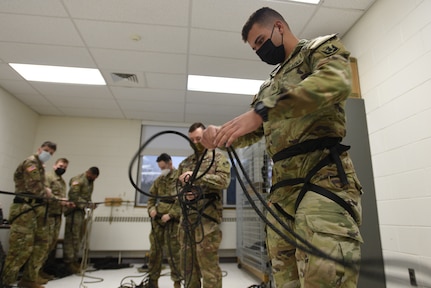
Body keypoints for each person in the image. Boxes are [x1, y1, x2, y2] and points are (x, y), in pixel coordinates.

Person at [201, 7, 363, 288]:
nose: (260, 52)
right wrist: (221, 135)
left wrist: (264, 111)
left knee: (325, 277)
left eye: (261, 41)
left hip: (322, 178)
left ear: (279, 27)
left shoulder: (318, 49)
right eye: (255, 49)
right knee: (285, 278)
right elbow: (252, 130)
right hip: (282, 190)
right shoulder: (268, 86)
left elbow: (335, 82)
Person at [177, 122, 231, 288]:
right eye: (192, 139)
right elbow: (177, 189)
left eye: (199, 138)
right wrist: (185, 193)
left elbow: (224, 181)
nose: (195, 142)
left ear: (206, 137)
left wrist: (196, 176)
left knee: (208, 266)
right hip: (187, 219)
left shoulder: (218, 158)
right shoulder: (184, 163)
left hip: (207, 221)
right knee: (188, 266)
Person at [1, 141, 57, 288]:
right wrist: (48, 192)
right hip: (25, 208)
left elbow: (43, 188)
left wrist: (50, 195)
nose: (48, 154)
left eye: (51, 153)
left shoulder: (40, 167)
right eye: (46, 151)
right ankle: (6, 282)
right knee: (20, 248)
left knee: (41, 245)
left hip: (38, 209)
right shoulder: (31, 163)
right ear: (39, 149)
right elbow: (34, 186)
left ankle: (29, 280)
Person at [146, 153, 181, 288]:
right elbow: (150, 198)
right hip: (158, 221)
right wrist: (151, 210)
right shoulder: (159, 180)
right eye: (160, 168)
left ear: (170, 163)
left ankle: (177, 282)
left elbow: (182, 200)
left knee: (174, 253)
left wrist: (171, 214)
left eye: (163, 167)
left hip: (172, 222)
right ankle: (153, 282)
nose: (162, 170)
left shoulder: (180, 178)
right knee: (155, 252)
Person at [40, 158, 74, 280]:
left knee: (51, 245)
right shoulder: (48, 177)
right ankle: (34, 274)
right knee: (43, 245)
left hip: (57, 215)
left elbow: (61, 198)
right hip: (47, 215)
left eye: (65, 167)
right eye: (61, 166)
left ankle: (43, 270)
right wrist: (59, 200)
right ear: (55, 166)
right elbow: (45, 193)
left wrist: (66, 204)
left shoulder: (62, 182)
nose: (62, 168)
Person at [63, 166, 100, 274]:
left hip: (80, 212)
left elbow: (86, 197)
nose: (94, 179)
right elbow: (74, 197)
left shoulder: (89, 181)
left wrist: (90, 204)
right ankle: (68, 262)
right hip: (73, 212)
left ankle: (74, 260)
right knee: (71, 237)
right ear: (89, 173)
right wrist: (87, 204)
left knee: (78, 237)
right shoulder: (78, 180)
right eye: (93, 177)